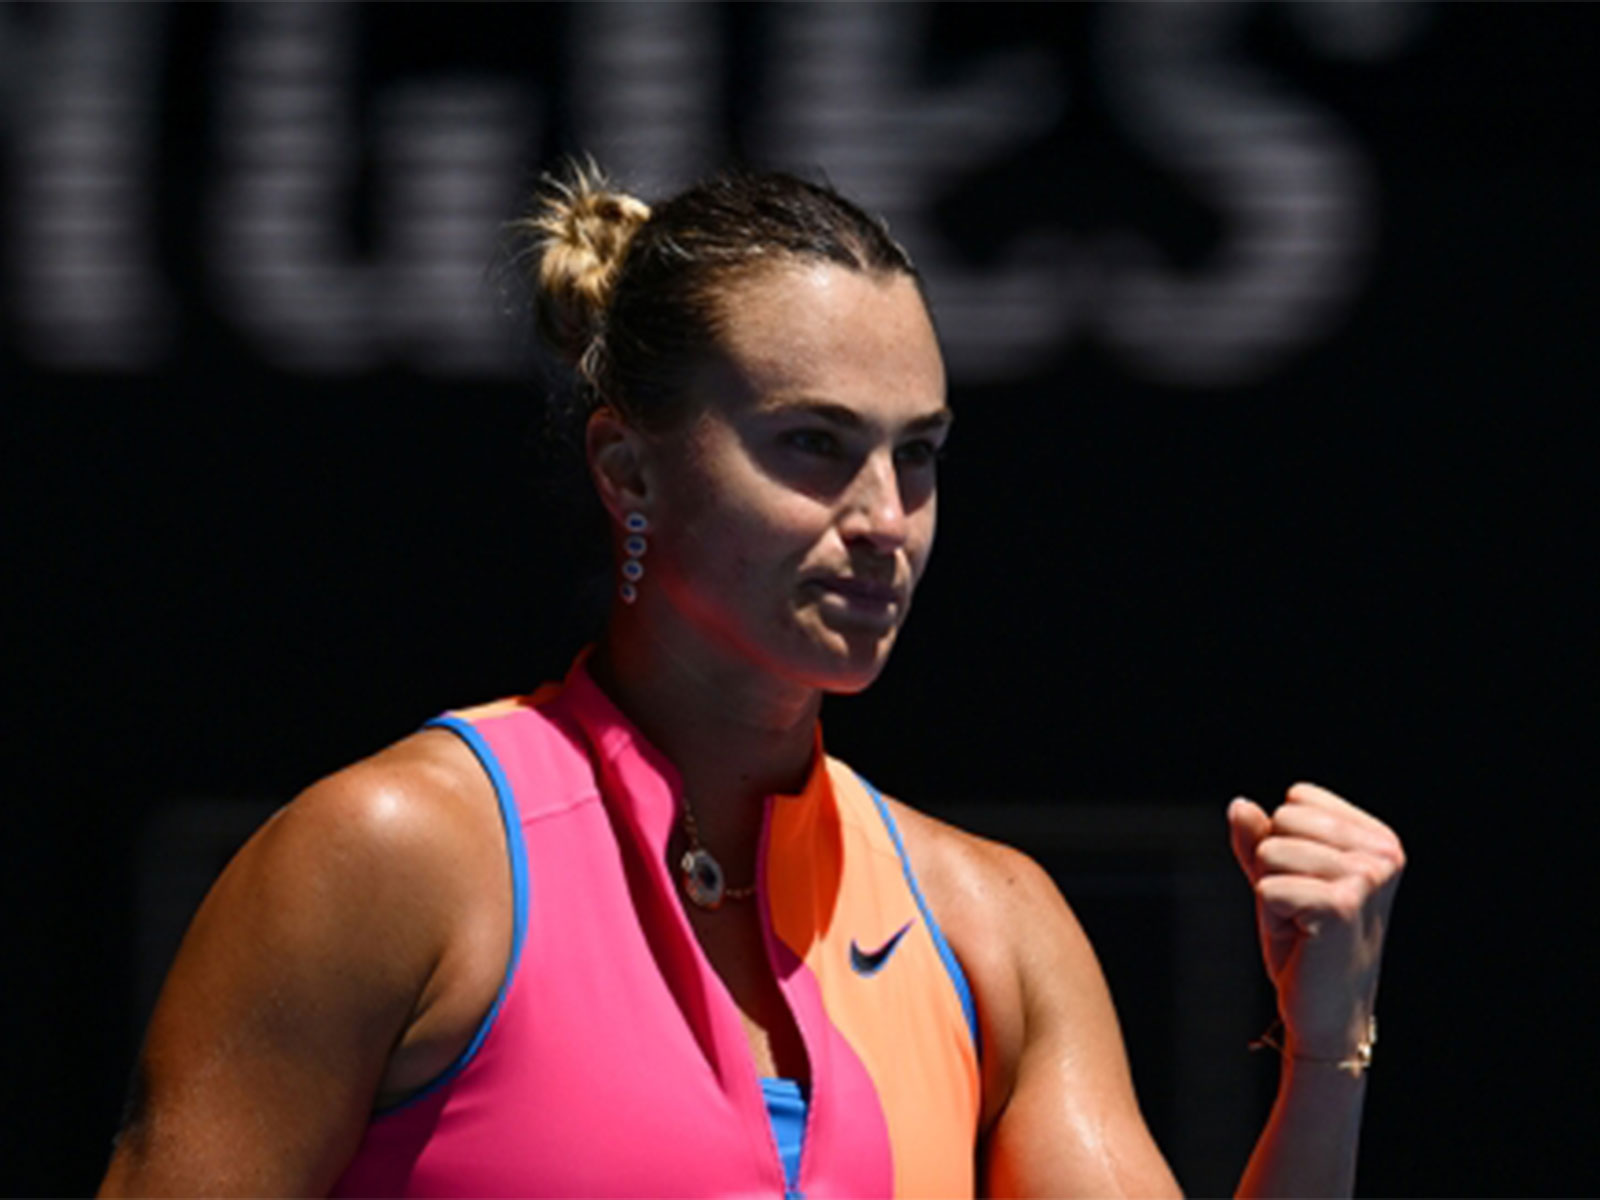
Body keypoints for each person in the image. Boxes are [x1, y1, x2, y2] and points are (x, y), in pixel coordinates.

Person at [99, 163, 1405, 1198]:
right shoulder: (387, 858)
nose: (886, 517)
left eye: (920, 457)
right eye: (813, 447)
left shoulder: (995, 929)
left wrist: (1323, 1055)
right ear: (629, 474)